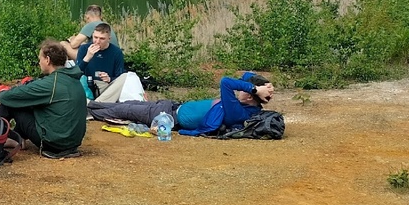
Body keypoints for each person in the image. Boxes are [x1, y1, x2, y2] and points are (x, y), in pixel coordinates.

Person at [87, 72, 275, 135]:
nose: (240, 89)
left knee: (122, 109)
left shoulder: (237, 111)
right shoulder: (246, 105)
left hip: (168, 117)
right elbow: (245, 77)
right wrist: (261, 84)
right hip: (170, 106)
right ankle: (89, 106)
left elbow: (226, 81)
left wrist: (255, 89)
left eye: (245, 90)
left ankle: (86, 108)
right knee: (126, 105)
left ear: (250, 96)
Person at [0, 39, 88, 158]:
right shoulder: (73, 78)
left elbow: (9, 96)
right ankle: (16, 137)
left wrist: (0, 93)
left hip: (54, 143)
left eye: (40, 59)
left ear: (47, 60)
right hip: (72, 143)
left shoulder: (50, 83)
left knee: (11, 103)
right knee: (32, 104)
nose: (39, 63)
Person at [77, 22, 145, 103]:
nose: (97, 41)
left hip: (107, 87)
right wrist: (87, 58)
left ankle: (95, 104)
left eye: (102, 39)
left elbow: (119, 76)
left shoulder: (116, 52)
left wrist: (109, 78)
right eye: (95, 37)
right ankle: (97, 105)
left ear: (109, 39)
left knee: (126, 76)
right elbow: (76, 73)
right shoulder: (84, 49)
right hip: (87, 84)